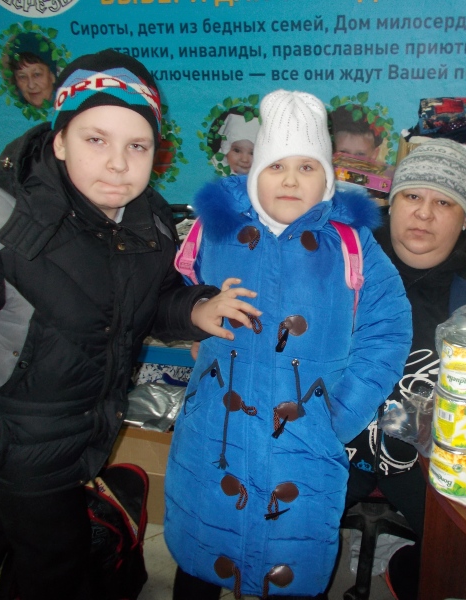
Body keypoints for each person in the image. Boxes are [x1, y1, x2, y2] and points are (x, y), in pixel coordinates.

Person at [0, 50, 259, 600]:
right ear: (59, 141)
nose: (118, 164)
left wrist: (195, 309)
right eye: (96, 140)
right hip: (10, 438)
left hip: (79, 436)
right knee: (56, 568)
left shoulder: (148, 220)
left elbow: (149, 300)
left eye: (137, 146)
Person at [164, 90, 412, 600]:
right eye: (277, 165)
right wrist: (194, 318)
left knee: (293, 560)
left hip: (304, 440)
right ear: (256, 170)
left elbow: (387, 330)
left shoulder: (352, 244)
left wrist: (337, 414)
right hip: (215, 433)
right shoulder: (213, 231)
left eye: (307, 166)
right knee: (200, 552)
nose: (291, 180)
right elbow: (172, 293)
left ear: (328, 177)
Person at [344, 139, 466, 600]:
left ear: (465, 217)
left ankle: (413, 572)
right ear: (391, 202)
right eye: (412, 196)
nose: (424, 213)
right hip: (338, 438)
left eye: (444, 202)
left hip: (436, 457)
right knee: (284, 526)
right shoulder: (344, 261)